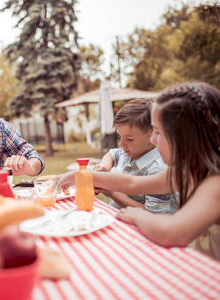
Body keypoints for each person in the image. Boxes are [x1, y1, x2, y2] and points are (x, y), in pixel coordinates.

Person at [57, 81, 220, 261]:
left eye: (158, 133)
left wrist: (138, 216)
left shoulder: (214, 183)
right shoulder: (183, 171)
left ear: (184, 137)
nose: (154, 141)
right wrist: (79, 175)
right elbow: (132, 183)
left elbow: (172, 232)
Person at [93, 98, 177, 214]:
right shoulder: (128, 151)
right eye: (120, 137)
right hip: (121, 219)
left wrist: (113, 192)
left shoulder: (158, 168)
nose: (122, 144)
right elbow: (112, 154)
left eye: (129, 139)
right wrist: (105, 166)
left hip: (143, 227)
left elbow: (153, 215)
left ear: (152, 134)